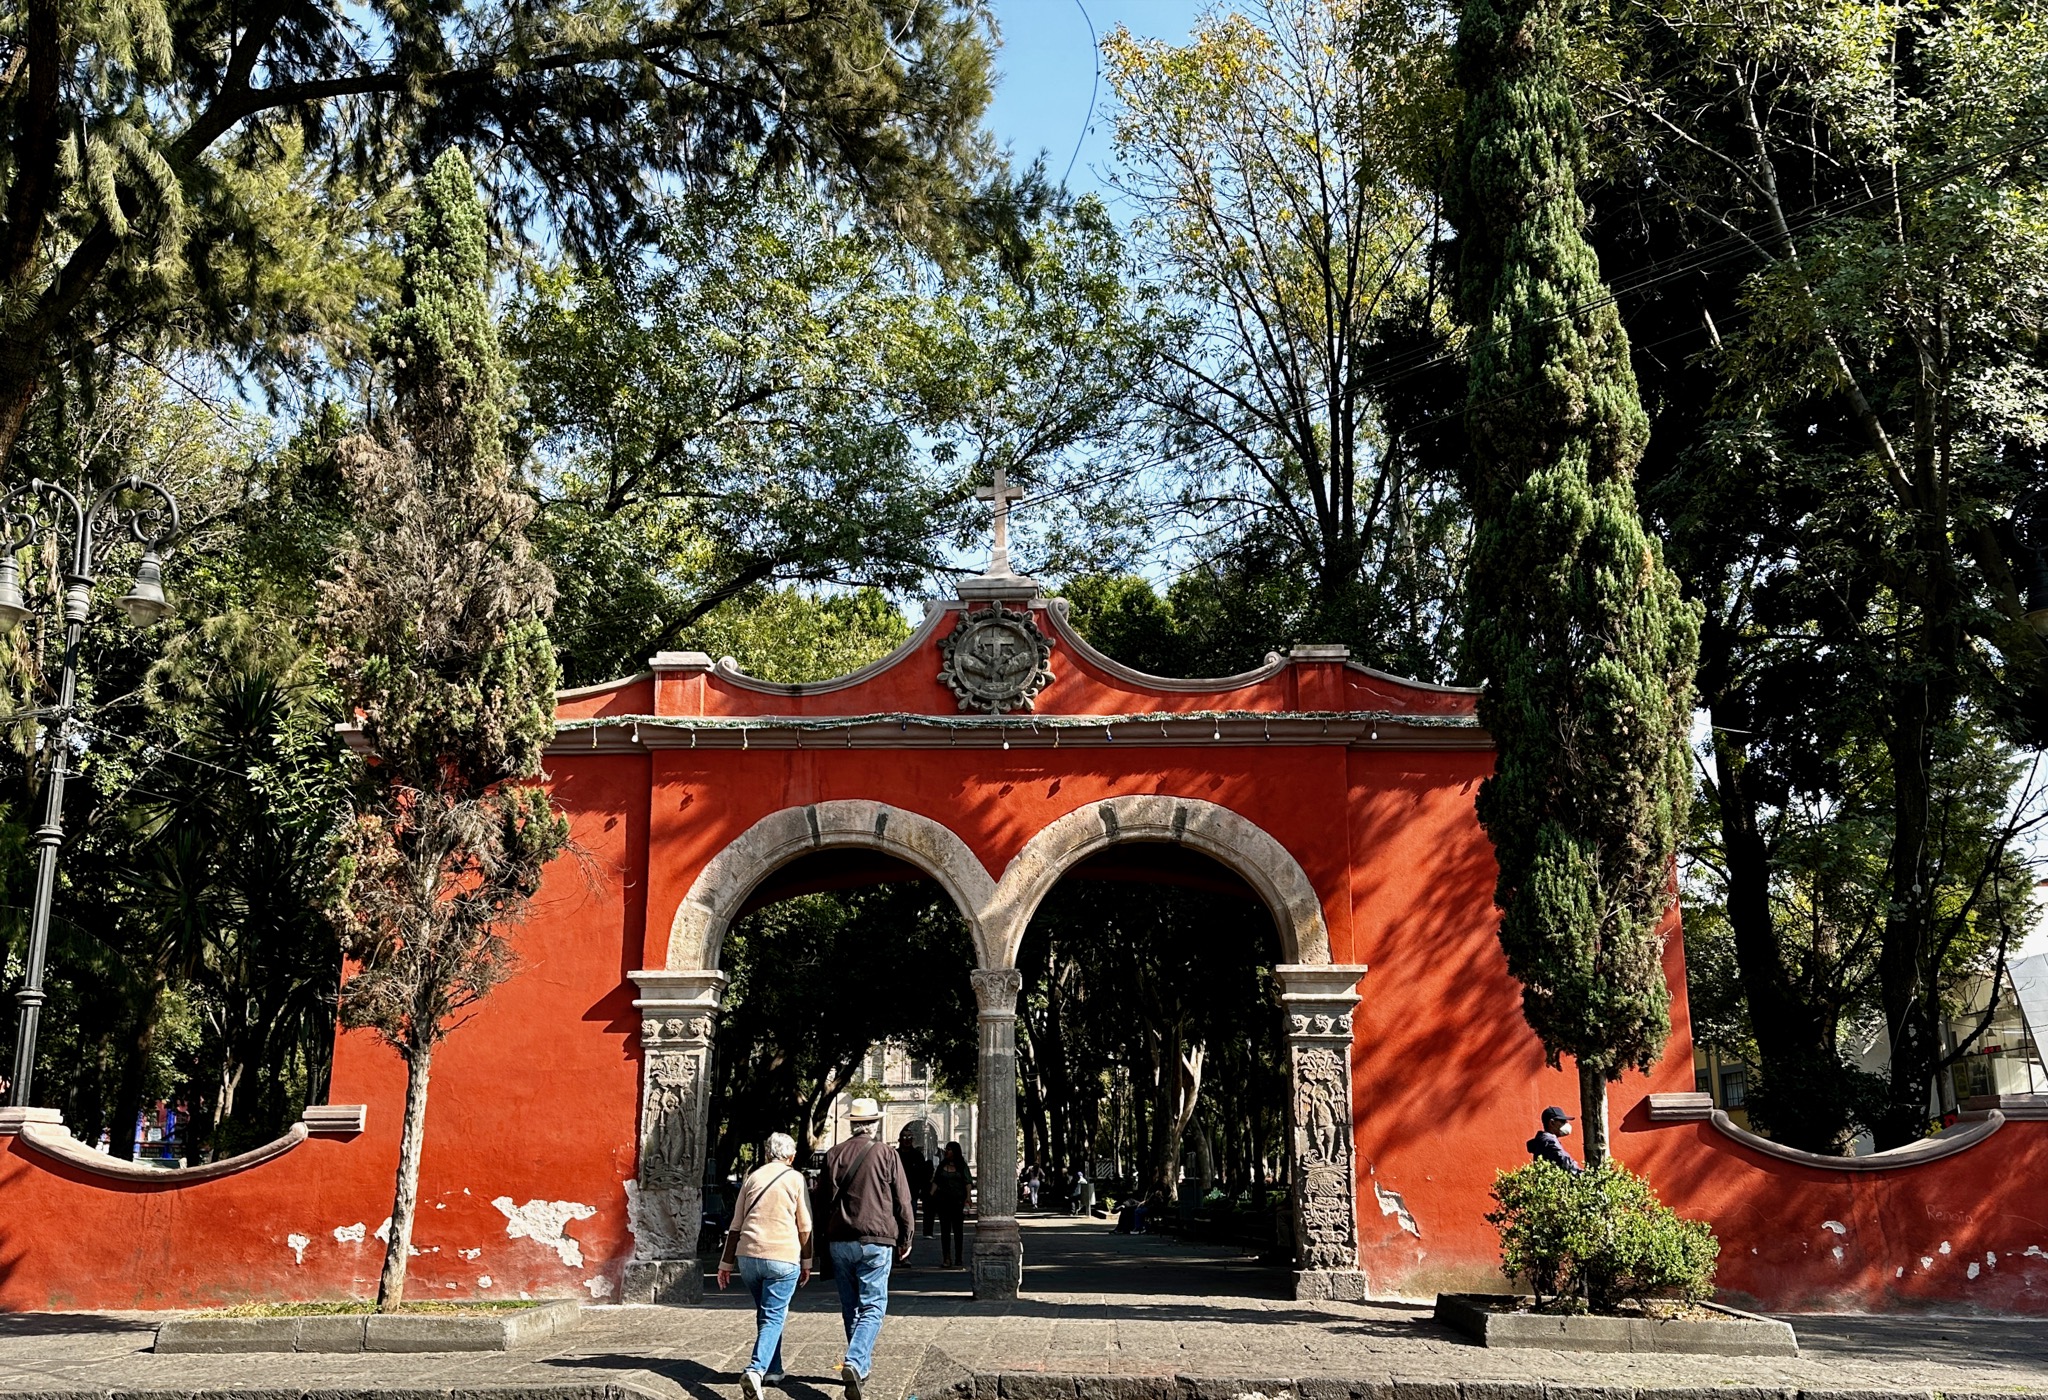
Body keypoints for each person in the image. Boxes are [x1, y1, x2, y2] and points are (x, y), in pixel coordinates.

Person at [819, 1097, 915, 1400]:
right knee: (873, 1305)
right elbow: (903, 1199)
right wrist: (906, 1237)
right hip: (876, 1238)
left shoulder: (833, 1154)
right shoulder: (887, 1154)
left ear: (853, 1124)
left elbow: (821, 1200)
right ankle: (855, 1361)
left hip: (840, 1239)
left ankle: (860, 1366)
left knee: (851, 1306)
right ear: (874, 1124)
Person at [717, 1132, 813, 1400]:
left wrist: (726, 1263)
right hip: (782, 1256)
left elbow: (735, 1223)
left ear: (768, 1152)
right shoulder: (795, 1178)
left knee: (767, 1313)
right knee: (773, 1315)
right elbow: (804, 1224)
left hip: (748, 1257)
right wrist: (807, 1261)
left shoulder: (752, 1178)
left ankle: (774, 1368)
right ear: (791, 1156)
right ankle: (756, 1370)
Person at [930, 1140, 972, 1268]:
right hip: (943, 1202)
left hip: (958, 1202)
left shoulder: (962, 1166)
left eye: (949, 1149)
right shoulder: (942, 1166)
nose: (946, 1151)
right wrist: (930, 1195)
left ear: (955, 1151)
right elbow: (936, 1182)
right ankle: (946, 1257)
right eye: (946, 1149)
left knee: (958, 1231)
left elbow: (968, 1182)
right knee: (945, 1231)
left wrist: (968, 1198)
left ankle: (958, 1257)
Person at [897, 1127, 934, 1243]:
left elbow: (922, 1174)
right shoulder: (895, 1155)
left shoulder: (917, 1155)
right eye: (904, 1137)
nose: (907, 1140)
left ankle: (906, 1241)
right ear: (899, 1139)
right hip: (897, 1192)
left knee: (909, 1216)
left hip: (912, 1191)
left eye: (909, 1137)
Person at [1527, 1105, 1583, 1174]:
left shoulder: (1543, 1140)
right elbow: (1564, 1161)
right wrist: (1583, 1175)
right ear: (1552, 1123)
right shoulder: (1550, 1141)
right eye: (1562, 1121)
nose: (1566, 1124)